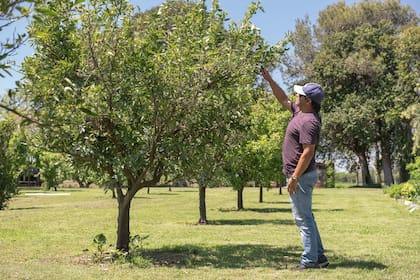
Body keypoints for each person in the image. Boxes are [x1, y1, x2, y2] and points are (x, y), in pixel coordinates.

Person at [260, 67, 329, 270]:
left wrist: (295, 177)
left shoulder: (309, 122)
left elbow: (308, 152)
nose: (295, 96)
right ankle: (319, 257)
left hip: (301, 176)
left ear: (308, 101)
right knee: (307, 217)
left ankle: (309, 261)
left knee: (303, 219)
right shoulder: (300, 111)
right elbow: (282, 99)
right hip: (299, 175)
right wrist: (270, 80)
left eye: (299, 95)